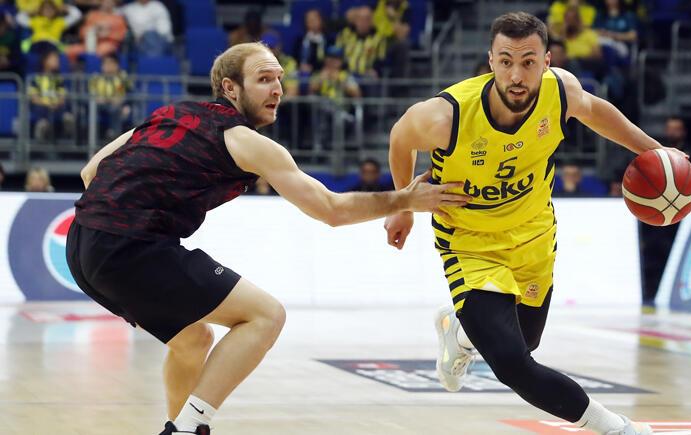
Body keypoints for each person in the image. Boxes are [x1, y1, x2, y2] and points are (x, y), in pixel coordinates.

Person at [65, 41, 468, 435]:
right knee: (266, 316)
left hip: (81, 244)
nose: (277, 89)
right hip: (129, 247)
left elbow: (91, 172)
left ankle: (179, 424)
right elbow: (330, 209)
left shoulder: (170, 114)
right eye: (263, 79)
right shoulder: (245, 141)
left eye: (279, 78)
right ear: (229, 87)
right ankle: (188, 428)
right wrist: (406, 199)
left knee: (192, 339)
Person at [384, 12, 685, 434]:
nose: (516, 75)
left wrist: (656, 153)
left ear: (546, 62)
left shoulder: (561, 92)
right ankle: (617, 428)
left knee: (525, 341)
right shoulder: (446, 116)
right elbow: (400, 137)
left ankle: (458, 330)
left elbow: (596, 111)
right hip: (470, 242)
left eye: (528, 62)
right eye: (506, 61)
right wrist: (402, 204)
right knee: (512, 362)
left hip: (534, 235)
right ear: (491, 61)